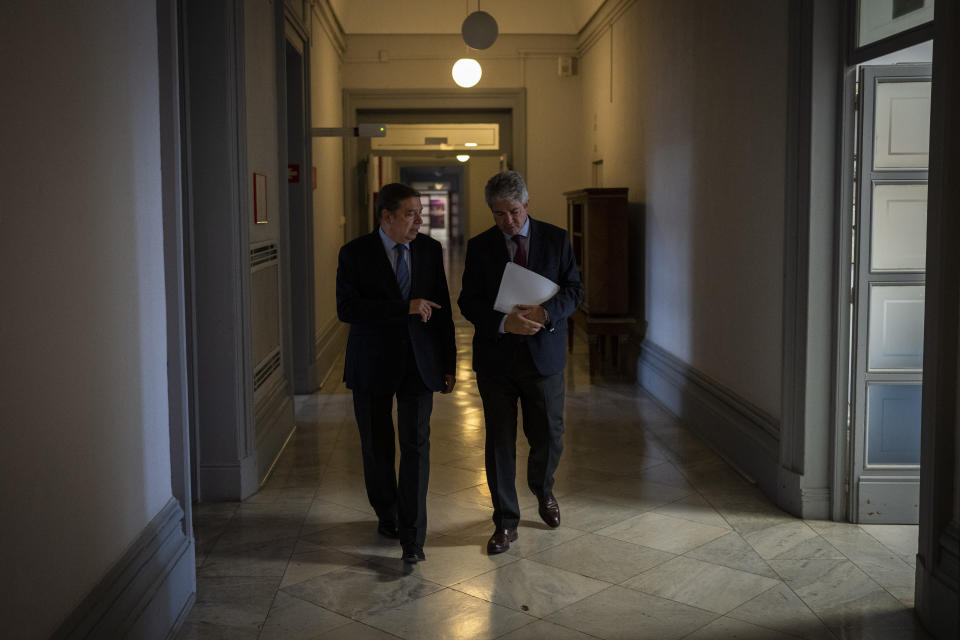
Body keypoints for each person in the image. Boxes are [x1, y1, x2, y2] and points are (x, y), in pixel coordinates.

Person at [458, 170, 583, 554]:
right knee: (499, 441)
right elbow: (468, 301)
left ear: (526, 205)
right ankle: (505, 521)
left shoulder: (557, 239)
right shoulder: (480, 247)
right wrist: (502, 321)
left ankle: (543, 490)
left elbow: (575, 289)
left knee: (548, 435)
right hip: (497, 360)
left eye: (513, 211)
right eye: (498, 214)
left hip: (543, 357)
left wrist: (547, 314)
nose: (507, 221)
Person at [336, 183, 457, 564]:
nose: (418, 221)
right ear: (385, 217)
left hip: (418, 365)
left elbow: (442, 313)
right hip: (371, 363)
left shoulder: (429, 249)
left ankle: (413, 536)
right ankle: (387, 514)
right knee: (377, 448)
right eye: (410, 214)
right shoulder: (355, 253)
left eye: (420, 213)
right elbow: (348, 309)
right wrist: (403, 307)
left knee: (416, 447)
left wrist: (449, 365)